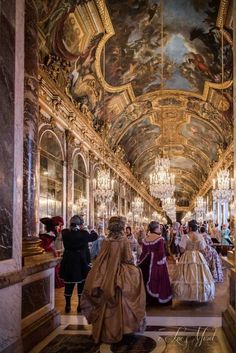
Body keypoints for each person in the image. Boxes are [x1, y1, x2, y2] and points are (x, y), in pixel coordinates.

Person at [81, 216, 146, 344]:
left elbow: (101, 258)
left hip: (106, 273)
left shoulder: (106, 240)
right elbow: (128, 258)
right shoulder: (124, 241)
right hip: (120, 274)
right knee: (126, 294)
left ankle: (106, 330)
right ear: (121, 227)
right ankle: (124, 329)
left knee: (104, 300)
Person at [59, 215, 98, 313]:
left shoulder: (64, 233)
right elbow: (94, 237)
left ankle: (68, 305)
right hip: (81, 262)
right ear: (80, 224)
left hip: (68, 261)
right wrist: (92, 229)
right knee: (81, 283)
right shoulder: (83, 233)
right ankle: (79, 306)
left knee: (68, 284)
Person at [172, 220, 215, 302]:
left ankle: (188, 294)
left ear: (190, 228)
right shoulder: (200, 236)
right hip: (198, 256)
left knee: (185, 275)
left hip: (187, 256)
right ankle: (199, 294)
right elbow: (202, 249)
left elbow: (181, 250)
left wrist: (179, 243)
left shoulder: (185, 236)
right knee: (200, 275)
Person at [138, 221, 172, 305]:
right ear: (156, 228)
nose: (160, 228)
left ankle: (148, 300)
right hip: (157, 264)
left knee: (147, 279)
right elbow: (161, 253)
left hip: (146, 264)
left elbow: (143, 253)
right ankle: (157, 300)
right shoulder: (160, 239)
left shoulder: (145, 239)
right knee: (159, 280)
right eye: (159, 227)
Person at [40, 216, 64, 288]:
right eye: (59, 224)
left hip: (48, 250)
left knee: (54, 268)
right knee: (54, 267)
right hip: (48, 251)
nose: (60, 226)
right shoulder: (52, 233)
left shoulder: (51, 233)